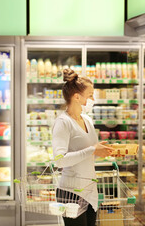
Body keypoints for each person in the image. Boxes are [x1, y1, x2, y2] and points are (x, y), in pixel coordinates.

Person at [52, 69, 114, 226]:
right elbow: (59, 161)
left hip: (90, 191)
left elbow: (89, 155)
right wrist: (93, 149)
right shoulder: (63, 122)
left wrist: (105, 152)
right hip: (70, 193)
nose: (93, 99)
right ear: (77, 97)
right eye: (90, 95)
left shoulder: (87, 120)